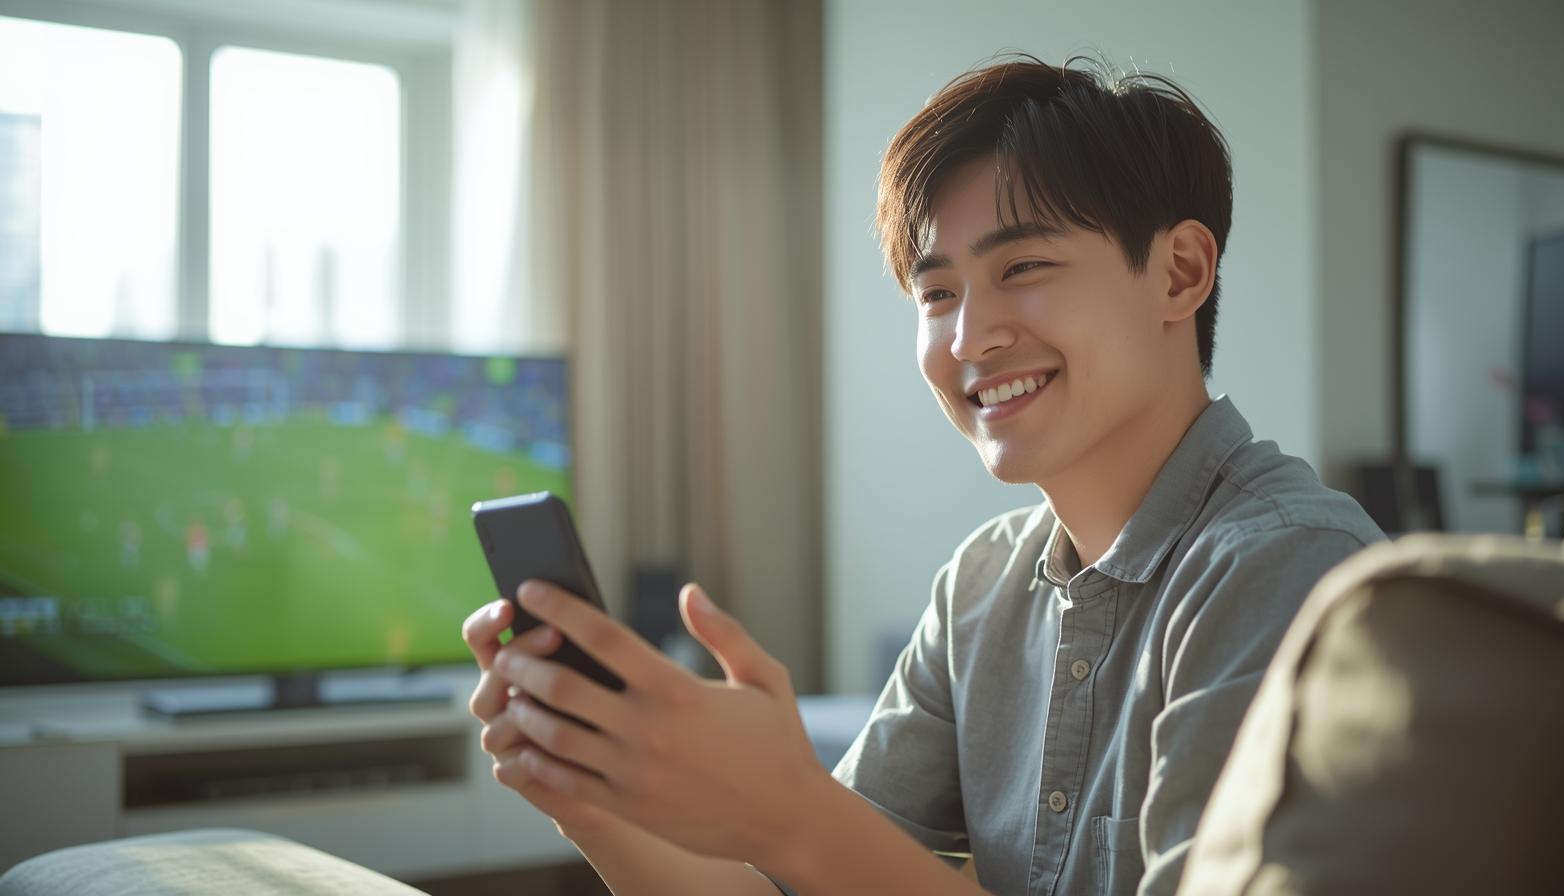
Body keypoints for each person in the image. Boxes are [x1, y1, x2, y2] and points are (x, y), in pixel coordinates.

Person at [462, 55, 1384, 895]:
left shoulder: (1294, 571)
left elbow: (815, 845)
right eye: (937, 293)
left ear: (1180, 273)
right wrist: (588, 799)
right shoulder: (981, 587)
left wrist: (791, 810)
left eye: (1024, 266)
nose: (970, 338)